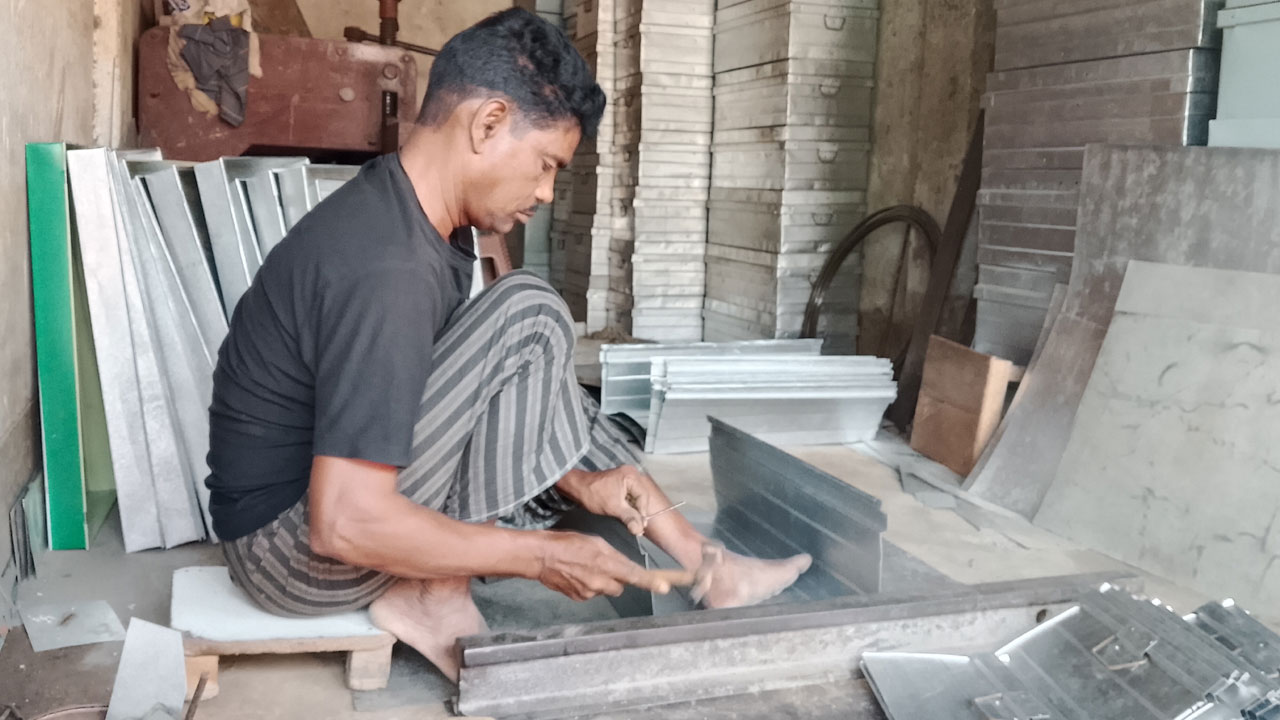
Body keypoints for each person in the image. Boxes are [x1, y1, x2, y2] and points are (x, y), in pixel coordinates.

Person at [205, 7, 812, 682]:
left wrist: (580, 478)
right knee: (529, 315)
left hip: (312, 527)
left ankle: (703, 561)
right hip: (290, 559)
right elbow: (343, 524)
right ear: (488, 123)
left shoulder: (422, 223)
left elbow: (445, 405)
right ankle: (433, 594)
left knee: (539, 357)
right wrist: (539, 555)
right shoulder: (386, 268)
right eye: (546, 164)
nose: (546, 192)